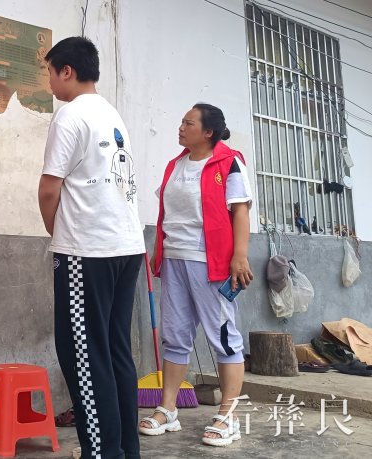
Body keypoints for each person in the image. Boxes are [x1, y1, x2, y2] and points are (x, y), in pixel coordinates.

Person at [38, 36, 146, 459]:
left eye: (49, 71)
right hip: (126, 247)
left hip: (88, 250)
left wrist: (58, 233)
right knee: (116, 349)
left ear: (67, 71)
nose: (48, 79)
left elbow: (50, 190)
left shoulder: (70, 116)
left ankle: (101, 452)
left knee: (83, 356)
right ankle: (124, 449)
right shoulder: (110, 113)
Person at [138, 104, 253, 447]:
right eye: (181, 121)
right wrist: (160, 248)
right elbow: (167, 212)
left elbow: (241, 211)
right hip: (175, 260)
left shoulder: (228, 163)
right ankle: (167, 408)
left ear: (207, 132)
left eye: (188, 123)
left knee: (223, 336)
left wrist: (240, 256)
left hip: (212, 263)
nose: (181, 127)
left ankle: (228, 414)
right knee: (175, 335)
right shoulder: (175, 165)